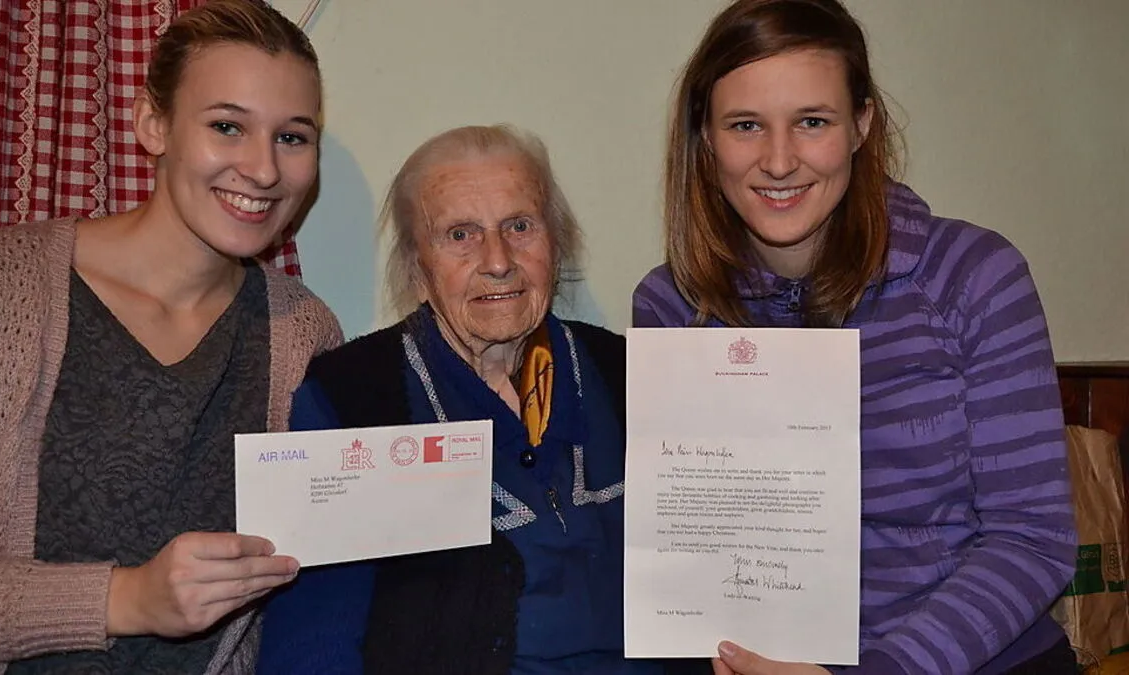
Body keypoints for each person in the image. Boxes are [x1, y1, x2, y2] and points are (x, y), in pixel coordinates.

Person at [631, 1, 1077, 674]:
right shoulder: (670, 305)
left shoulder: (973, 276)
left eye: (812, 122)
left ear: (862, 124)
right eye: (745, 125)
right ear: (706, 136)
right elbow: (693, 549)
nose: (779, 161)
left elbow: (1033, 538)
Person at [0, 1, 342, 672]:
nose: (263, 170)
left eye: (292, 137)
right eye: (228, 126)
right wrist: (124, 598)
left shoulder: (306, 334)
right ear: (154, 123)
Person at [256, 124, 671, 675]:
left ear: (557, 240)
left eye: (520, 226)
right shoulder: (346, 401)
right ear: (417, 266)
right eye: (460, 235)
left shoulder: (637, 376)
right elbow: (310, 644)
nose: (498, 260)